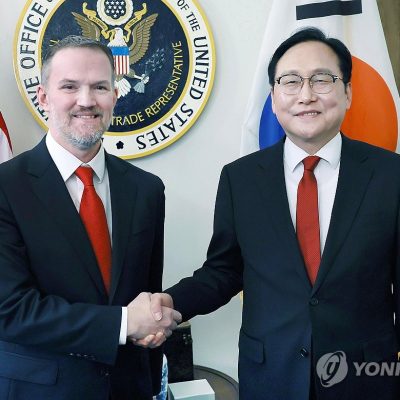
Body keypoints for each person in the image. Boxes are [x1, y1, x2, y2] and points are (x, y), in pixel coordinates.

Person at [148, 27, 400, 400]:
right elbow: (224, 271)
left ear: (347, 92)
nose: (306, 95)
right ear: (274, 96)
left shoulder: (390, 175)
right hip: (271, 376)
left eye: (322, 80)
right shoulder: (241, 179)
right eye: (291, 81)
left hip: (366, 378)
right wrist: (171, 304)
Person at [0, 36, 181, 400]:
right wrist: (124, 323)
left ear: (114, 95)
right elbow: (11, 310)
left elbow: (145, 293)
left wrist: (151, 334)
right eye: (69, 86)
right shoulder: (6, 187)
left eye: (99, 87)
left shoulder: (146, 189)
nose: (86, 100)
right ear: (44, 97)